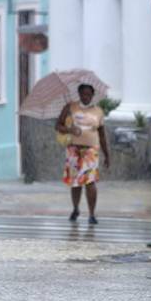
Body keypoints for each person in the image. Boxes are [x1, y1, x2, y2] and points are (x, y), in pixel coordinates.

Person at [56, 83, 111, 224]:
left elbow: (102, 134)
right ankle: (76, 209)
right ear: (79, 94)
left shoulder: (98, 111)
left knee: (90, 182)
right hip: (73, 150)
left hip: (91, 151)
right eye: (83, 94)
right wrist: (70, 130)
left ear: (93, 95)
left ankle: (92, 214)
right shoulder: (70, 107)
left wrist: (107, 155)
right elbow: (58, 125)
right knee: (75, 183)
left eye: (88, 94)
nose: (86, 97)